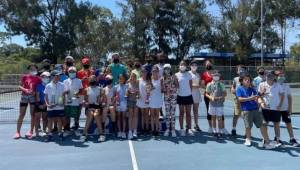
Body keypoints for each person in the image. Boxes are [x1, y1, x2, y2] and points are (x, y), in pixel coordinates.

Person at [236, 74, 275, 149]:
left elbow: (258, 97)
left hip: (256, 110)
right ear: (242, 81)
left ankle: (266, 142)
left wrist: (262, 103)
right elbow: (240, 99)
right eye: (245, 79)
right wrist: (250, 98)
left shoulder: (253, 89)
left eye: (248, 79)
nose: (247, 81)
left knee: (263, 125)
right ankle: (248, 139)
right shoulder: (239, 89)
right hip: (246, 110)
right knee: (248, 127)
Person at [14, 64, 41, 139]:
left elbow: (38, 89)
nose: (33, 70)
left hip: (33, 98)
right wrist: (25, 89)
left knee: (32, 115)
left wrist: (34, 92)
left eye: (34, 69)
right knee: (21, 114)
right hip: (24, 97)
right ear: (29, 70)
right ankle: (17, 132)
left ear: (36, 70)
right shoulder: (24, 77)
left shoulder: (39, 79)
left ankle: (31, 131)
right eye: (31, 69)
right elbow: (19, 86)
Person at [201, 60, 227, 134]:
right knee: (210, 112)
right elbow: (202, 85)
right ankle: (211, 128)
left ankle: (223, 128)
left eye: (210, 64)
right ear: (205, 66)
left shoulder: (216, 72)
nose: (208, 65)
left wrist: (222, 96)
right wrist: (209, 90)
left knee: (220, 112)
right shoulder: (204, 74)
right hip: (208, 96)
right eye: (207, 64)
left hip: (219, 96)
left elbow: (221, 84)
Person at [258, 72, 284, 147]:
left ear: (274, 77)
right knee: (265, 124)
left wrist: (280, 105)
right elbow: (259, 96)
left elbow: (282, 96)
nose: (269, 77)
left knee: (276, 124)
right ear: (266, 76)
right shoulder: (261, 84)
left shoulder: (278, 85)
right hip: (265, 108)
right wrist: (262, 103)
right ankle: (265, 139)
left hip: (276, 108)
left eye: (271, 76)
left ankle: (277, 140)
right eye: (268, 75)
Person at [274, 69, 299, 146]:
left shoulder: (286, 86)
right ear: (276, 77)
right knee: (276, 123)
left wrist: (290, 108)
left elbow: (289, 98)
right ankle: (277, 139)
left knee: (288, 123)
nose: (281, 77)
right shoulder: (273, 85)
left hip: (285, 108)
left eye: (282, 75)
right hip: (276, 109)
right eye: (279, 75)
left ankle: (292, 139)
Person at [81, 75, 105, 142]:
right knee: (91, 114)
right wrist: (84, 103)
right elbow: (85, 101)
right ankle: (84, 134)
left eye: (94, 78)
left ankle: (101, 134)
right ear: (89, 80)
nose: (92, 80)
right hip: (89, 107)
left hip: (98, 107)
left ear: (96, 80)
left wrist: (100, 100)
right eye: (91, 79)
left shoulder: (100, 89)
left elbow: (102, 100)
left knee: (96, 115)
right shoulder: (86, 89)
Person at [44, 70, 65, 142]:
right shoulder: (48, 85)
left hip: (59, 106)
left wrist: (60, 103)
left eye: (59, 75)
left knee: (59, 119)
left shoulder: (62, 85)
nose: (58, 77)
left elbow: (62, 95)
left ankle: (60, 133)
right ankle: (49, 134)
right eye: (56, 75)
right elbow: (46, 96)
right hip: (50, 107)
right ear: (52, 76)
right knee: (50, 120)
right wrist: (47, 104)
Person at [63, 66, 83, 137]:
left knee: (76, 116)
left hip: (76, 101)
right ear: (68, 73)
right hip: (67, 101)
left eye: (73, 72)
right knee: (67, 116)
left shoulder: (79, 80)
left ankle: (76, 129)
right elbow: (63, 92)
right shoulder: (65, 81)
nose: (72, 73)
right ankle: (67, 130)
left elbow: (81, 90)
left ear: (76, 73)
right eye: (70, 72)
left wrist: (77, 93)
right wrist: (66, 92)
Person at [205, 71, 227, 137]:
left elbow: (225, 93)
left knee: (219, 118)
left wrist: (221, 97)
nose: (216, 76)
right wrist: (210, 97)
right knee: (213, 117)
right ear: (212, 76)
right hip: (212, 104)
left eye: (217, 75)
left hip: (219, 104)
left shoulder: (221, 84)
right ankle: (214, 130)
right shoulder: (209, 84)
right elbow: (206, 93)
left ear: (219, 76)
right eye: (215, 75)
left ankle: (219, 131)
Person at [176, 60, 194, 136]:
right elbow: (176, 86)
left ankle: (189, 129)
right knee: (181, 113)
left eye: (184, 64)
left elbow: (191, 85)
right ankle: (181, 129)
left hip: (188, 96)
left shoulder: (189, 74)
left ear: (186, 66)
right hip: (180, 96)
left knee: (188, 114)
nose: (182, 65)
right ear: (179, 66)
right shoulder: (176, 75)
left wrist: (188, 93)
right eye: (181, 64)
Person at [76, 56, 95, 130]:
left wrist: (90, 78)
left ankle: (89, 123)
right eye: (84, 63)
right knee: (79, 109)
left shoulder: (92, 72)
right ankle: (76, 123)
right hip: (81, 93)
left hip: (89, 93)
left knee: (89, 109)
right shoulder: (79, 72)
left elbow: (94, 81)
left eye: (87, 63)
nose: (86, 64)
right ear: (82, 64)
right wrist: (82, 80)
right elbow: (77, 82)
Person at [162, 64, 178, 137]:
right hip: (166, 97)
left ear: (170, 69)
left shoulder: (174, 76)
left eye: (168, 68)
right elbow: (162, 89)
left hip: (173, 97)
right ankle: (168, 129)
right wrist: (165, 90)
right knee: (168, 114)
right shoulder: (162, 78)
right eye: (165, 69)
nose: (167, 70)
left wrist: (172, 87)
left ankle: (173, 129)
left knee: (173, 114)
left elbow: (178, 85)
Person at [230, 65, 246, 136]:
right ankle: (233, 129)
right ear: (237, 71)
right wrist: (233, 90)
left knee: (246, 116)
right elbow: (232, 88)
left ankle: (247, 132)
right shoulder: (235, 79)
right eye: (239, 70)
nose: (241, 71)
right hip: (237, 100)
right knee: (236, 115)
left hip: (246, 100)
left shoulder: (247, 79)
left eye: (242, 69)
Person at [149, 65, 163, 137]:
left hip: (158, 99)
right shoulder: (149, 80)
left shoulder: (161, 80)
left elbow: (162, 89)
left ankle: (157, 130)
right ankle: (152, 129)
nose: (155, 72)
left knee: (157, 115)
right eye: (154, 71)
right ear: (152, 72)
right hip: (151, 100)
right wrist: (150, 88)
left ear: (158, 72)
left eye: (156, 71)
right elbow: (148, 90)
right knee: (152, 115)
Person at [35, 71, 50, 137]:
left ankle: (44, 130)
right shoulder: (39, 86)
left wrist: (45, 104)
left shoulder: (50, 86)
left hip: (47, 104)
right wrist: (39, 104)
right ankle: (36, 131)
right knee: (37, 118)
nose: (45, 78)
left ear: (49, 78)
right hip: (39, 104)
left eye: (46, 77)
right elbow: (37, 96)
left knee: (45, 118)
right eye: (43, 77)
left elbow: (50, 97)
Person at [137, 66, 151, 135]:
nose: (144, 73)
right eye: (142, 72)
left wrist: (148, 96)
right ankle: (142, 129)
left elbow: (151, 89)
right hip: (141, 100)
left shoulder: (149, 81)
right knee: (143, 115)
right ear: (141, 73)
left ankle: (147, 129)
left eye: (145, 72)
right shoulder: (138, 80)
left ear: (147, 72)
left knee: (147, 115)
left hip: (147, 100)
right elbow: (136, 89)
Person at [113, 73, 128, 139]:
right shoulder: (116, 87)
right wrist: (115, 99)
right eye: (120, 78)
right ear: (118, 79)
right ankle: (119, 131)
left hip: (124, 103)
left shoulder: (127, 86)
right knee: (118, 117)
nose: (121, 79)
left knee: (124, 118)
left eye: (122, 78)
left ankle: (124, 132)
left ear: (124, 79)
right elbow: (114, 96)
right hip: (118, 104)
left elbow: (127, 95)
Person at [189, 60, 202, 132]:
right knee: (188, 111)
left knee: (196, 110)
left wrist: (200, 85)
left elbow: (200, 84)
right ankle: (188, 125)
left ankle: (196, 124)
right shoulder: (188, 73)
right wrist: (194, 85)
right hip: (189, 94)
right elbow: (188, 84)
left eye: (195, 65)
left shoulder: (198, 74)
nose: (194, 66)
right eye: (192, 65)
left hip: (197, 93)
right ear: (190, 66)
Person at [126, 72, 139, 139]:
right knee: (131, 116)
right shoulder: (127, 84)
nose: (132, 78)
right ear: (130, 77)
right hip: (130, 101)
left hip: (136, 102)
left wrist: (136, 95)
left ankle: (135, 131)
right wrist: (129, 93)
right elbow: (126, 95)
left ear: (135, 78)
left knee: (135, 116)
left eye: (134, 77)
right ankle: (130, 131)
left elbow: (138, 94)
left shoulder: (137, 84)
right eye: (131, 76)